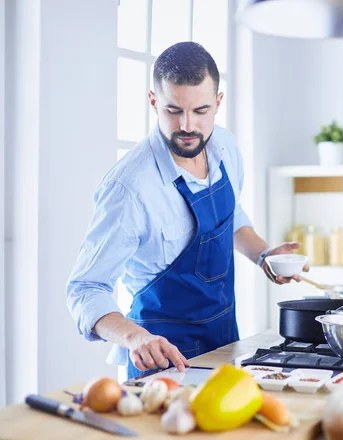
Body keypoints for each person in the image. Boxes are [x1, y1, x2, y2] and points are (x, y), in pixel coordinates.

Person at [66, 41, 307, 379]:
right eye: (173, 111)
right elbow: (85, 289)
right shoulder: (130, 188)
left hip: (225, 345)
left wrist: (264, 254)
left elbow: (229, 217)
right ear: (153, 102)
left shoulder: (225, 147)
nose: (188, 126)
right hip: (162, 365)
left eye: (201, 111)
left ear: (218, 103)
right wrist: (135, 337)